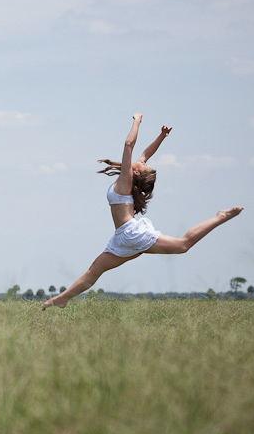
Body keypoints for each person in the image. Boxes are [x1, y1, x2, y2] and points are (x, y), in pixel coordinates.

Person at [42, 113, 243, 310]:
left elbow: (129, 145)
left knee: (183, 245)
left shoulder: (125, 181)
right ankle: (62, 299)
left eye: (145, 165)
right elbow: (146, 154)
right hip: (123, 238)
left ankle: (220, 217)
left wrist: (137, 120)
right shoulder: (128, 181)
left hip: (131, 235)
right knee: (94, 271)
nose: (144, 161)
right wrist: (161, 137)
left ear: (135, 173)